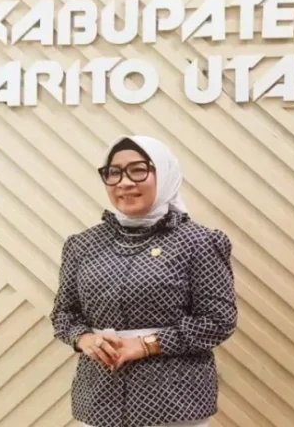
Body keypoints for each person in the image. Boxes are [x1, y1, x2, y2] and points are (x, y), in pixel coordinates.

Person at [49, 134, 238, 427]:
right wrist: (86, 339)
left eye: (138, 170)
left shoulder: (199, 242)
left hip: (174, 402)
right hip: (99, 399)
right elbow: (64, 315)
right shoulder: (82, 245)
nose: (124, 182)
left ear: (164, 174)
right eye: (114, 172)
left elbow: (218, 321)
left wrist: (146, 344)